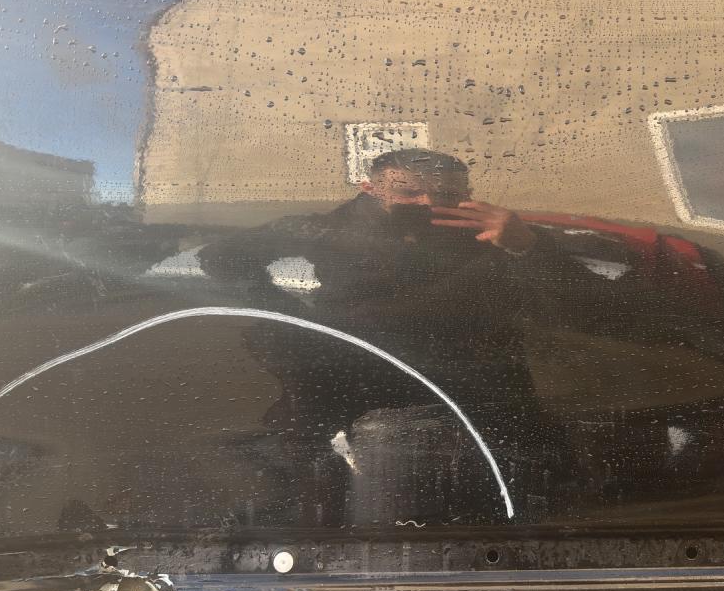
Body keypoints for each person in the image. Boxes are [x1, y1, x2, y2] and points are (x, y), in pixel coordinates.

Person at [197, 149, 588, 523]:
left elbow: (581, 303)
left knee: (516, 496)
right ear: (371, 188)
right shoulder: (329, 229)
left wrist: (527, 245)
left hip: (470, 376)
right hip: (357, 368)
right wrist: (294, 320)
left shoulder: (488, 233)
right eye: (408, 191)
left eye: (446, 194)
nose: (427, 203)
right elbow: (220, 258)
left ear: (466, 195)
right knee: (328, 486)